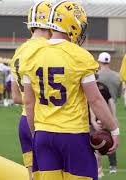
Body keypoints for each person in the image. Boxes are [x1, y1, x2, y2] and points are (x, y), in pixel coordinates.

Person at [19, 1, 119, 179]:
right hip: (72, 135)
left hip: (43, 134)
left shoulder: (30, 55)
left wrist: (36, 133)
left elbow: (28, 102)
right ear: (72, 24)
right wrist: (113, 128)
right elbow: (95, 100)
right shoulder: (79, 56)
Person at [9, 1, 53, 179]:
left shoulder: (18, 51)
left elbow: (16, 97)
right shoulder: (47, 49)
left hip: (24, 121)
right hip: (44, 122)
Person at [96, 52, 121, 173]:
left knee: (96, 137)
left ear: (99, 61)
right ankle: (113, 166)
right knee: (112, 137)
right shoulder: (117, 76)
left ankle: (98, 167)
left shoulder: (96, 75)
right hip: (113, 108)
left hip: (98, 109)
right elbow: (119, 94)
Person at [89, 75, 115, 178]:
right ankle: (112, 166)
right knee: (109, 142)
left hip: (95, 120)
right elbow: (111, 102)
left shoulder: (89, 86)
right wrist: (111, 117)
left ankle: (98, 169)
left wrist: (93, 120)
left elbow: (92, 103)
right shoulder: (103, 86)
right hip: (105, 118)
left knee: (94, 145)